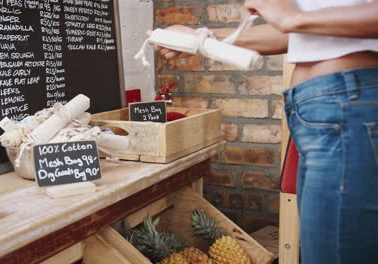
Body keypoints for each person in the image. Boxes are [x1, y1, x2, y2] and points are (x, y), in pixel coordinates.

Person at [156, 0, 378, 263]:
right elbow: (297, 34)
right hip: (321, 114)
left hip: (346, 107)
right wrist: (202, 39)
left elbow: (294, 24)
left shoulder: (295, 18)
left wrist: (292, 18)